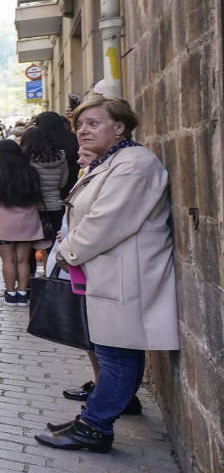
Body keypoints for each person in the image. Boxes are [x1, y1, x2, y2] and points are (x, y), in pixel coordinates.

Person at [36, 98, 177, 453]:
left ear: (120, 127)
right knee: (116, 348)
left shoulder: (133, 165)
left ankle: (94, 427)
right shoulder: (114, 161)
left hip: (124, 272)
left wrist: (68, 252)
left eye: (94, 123)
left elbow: (106, 221)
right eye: (80, 125)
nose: (83, 130)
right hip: (111, 270)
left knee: (116, 353)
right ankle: (100, 412)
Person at [0, 139, 48, 305]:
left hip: (0, 222)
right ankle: (23, 294)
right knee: (23, 260)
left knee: (8, 260)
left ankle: (10, 294)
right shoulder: (30, 171)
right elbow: (37, 195)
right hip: (26, 221)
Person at [19, 126, 69, 247]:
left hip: (33, 207)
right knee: (53, 245)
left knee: (30, 248)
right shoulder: (61, 156)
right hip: (56, 205)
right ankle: (51, 266)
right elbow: (63, 182)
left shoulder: (25, 158)